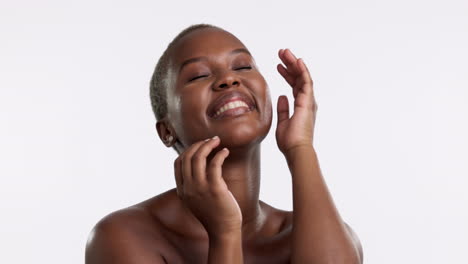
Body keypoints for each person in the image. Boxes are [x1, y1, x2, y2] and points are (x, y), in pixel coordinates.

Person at [85, 23, 363, 264]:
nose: (229, 79)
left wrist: (300, 148)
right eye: (198, 75)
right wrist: (225, 234)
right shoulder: (123, 235)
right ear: (167, 130)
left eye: (243, 66)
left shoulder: (311, 231)